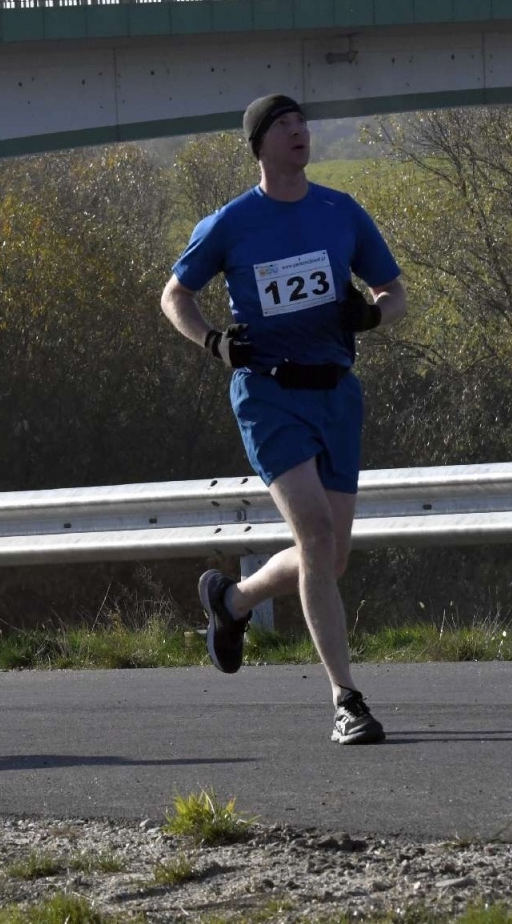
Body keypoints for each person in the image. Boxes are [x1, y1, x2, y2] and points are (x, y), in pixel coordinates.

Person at [160, 94, 407, 745]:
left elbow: (394, 292)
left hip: (336, 395)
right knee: (318, 535)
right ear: (260, 145)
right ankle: (346, 700)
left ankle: (233, 601)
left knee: (330, 555)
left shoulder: (340, 211)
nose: (299, 132)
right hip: (269, 395)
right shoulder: (233, 222)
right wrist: (213, 342)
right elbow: (175, 294)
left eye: (302, 123)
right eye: (283, 125)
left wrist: (372, 314)